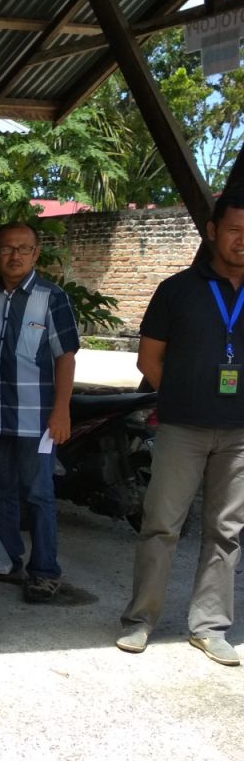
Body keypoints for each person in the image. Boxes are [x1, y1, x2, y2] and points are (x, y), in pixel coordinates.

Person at [116, 190, 244, 666]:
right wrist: (183, 396)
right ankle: (140, 621)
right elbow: (148, 359)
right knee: (161, 527)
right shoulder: (177, 290)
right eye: (233, 230)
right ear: (212, 231)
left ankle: (209, 627)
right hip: (182, 429)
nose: (242, 241)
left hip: (239, 436)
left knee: (226, 532)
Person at [0, 221, 79, 603]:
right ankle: (7, 560)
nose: (15, 255)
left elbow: (65, 359)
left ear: (36, 254)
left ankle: (45, 571)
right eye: (7, 248)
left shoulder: (51, 297)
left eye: (24, 248)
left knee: (39, 495)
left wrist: (61, 411)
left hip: (37, 420)